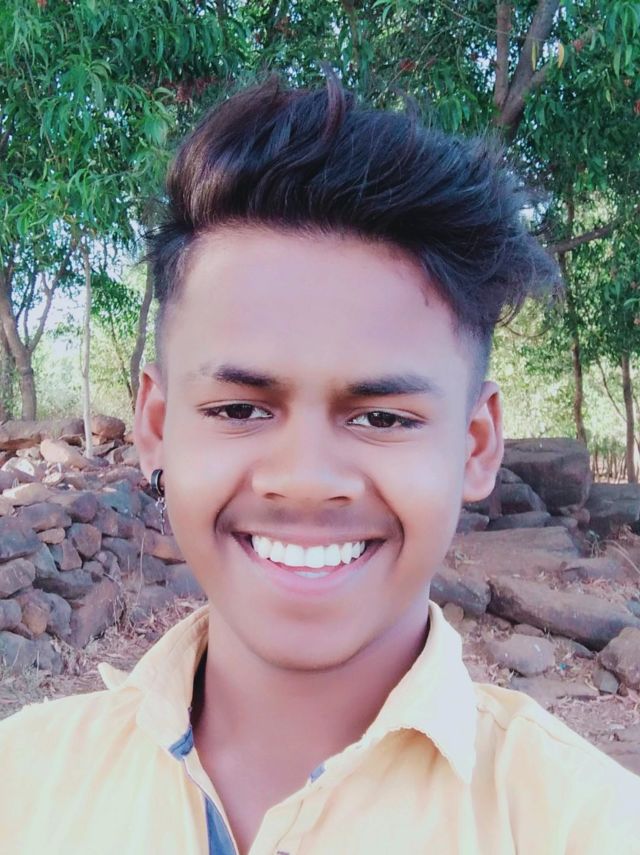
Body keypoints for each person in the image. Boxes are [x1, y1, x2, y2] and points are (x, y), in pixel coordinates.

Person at [1, 73, 639, 855]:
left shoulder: (587, 825)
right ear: (156, 427)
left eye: (382, 417)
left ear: (475, 445)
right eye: (240, 409)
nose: (303, 478)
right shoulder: (22, 788)